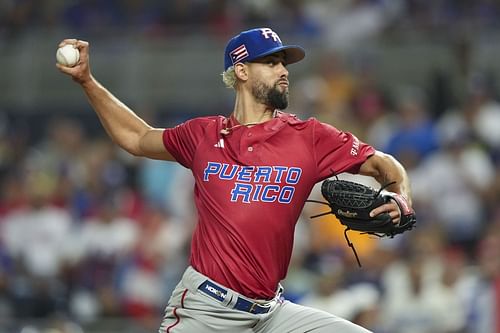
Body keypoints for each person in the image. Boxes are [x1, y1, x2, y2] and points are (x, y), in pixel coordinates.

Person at [57, 27, 413, 333]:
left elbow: (386, 166)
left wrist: (401, 198)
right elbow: (137, 137)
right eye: (271, 63)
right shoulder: (202, 135)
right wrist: (88, 82)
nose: (283, 71)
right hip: (205, 309)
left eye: (284, 64)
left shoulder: (310, 137)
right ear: (241, 71)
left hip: (272, 314)